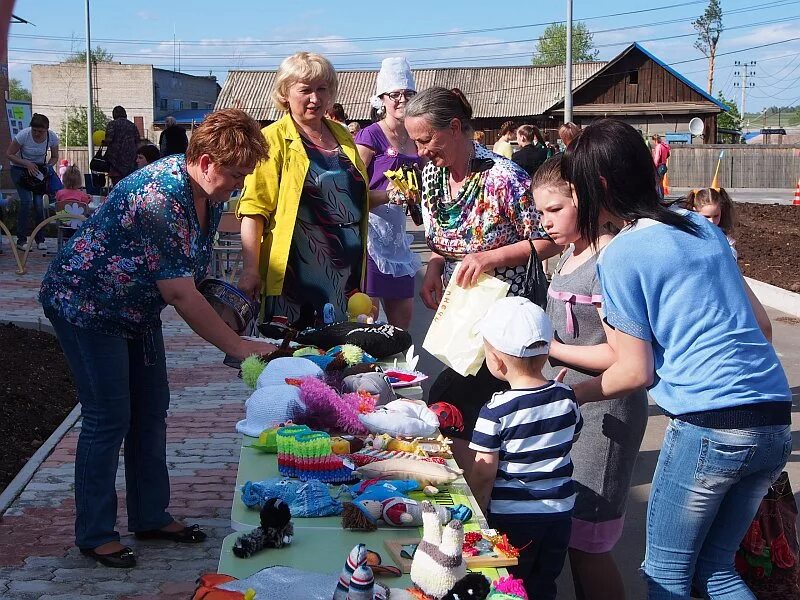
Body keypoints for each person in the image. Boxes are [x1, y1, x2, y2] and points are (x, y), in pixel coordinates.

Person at [562, 118, 791, 599]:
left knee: (665, 574)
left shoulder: (623, 253)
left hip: (710, 425)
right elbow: (764, 328)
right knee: (717, 570)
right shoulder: (701, 229)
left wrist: (568, 394)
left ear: (599, 185)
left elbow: (634, 370)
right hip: (772, 416)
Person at [38, 109, 274, 569]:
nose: (238, 185)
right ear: (205, 161)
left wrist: (235, 304)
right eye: (234, 175)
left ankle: (149, 515)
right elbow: (179, 293)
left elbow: (189, 274)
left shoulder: (208, 193)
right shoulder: (160, 195)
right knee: (109, 417)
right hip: (87, 306)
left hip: (134, 308)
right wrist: (237, 345)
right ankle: (96, 532)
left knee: (151, 410)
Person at [404, 87, 561, 469]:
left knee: (462, 402)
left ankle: (484, 494)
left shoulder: (504, 177)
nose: (421, 150)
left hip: (503, 312)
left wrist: (492, 257)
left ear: (455, 127)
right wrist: (435, 267)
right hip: (463, 309)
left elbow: (549, 240)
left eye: (426, 139)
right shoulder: (431, 174)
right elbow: (443, 238)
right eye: (415, 141)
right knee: (458, 402)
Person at [534, 155, 647, 600]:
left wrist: (552, 348)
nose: (545, 221)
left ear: (583, 199)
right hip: (574, 411)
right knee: (574, 534)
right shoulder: (571, 253)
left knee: (589, 543)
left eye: (554, 210)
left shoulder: (608, 260)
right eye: (540, 211)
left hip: (604, 415)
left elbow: (624, 354)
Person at [237, 52, 370, 327]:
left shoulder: (342, 134)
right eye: (306, 90)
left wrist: (394, 196)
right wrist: (251, 270)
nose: (315, 98)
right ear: (285, 93)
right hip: (296, 273)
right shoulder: (272, 139)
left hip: (346, 271)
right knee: (293, 353)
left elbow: (351, 199)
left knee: (342, 351)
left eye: (322, 89)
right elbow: (254, 210)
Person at [469, 296, 582, 600]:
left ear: (497, 361)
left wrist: (477, 515)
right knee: (544, 583)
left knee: (508, 586)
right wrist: (554, 396)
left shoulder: (495, 410)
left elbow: (483, 473)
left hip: (512, 517)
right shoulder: (566, 397)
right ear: (545, 354)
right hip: (558, 515)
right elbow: (571, 434)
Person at [355, 57, 422, 329]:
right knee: (366, 322)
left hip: (399, 241)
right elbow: (351, 194)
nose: (401, 100)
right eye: (394, 95)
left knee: (401, 327)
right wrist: (387, 196)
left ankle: (398, 373)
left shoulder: (416, 137)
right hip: (370, 240)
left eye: (408, 94)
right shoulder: (370, 136)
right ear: (381, 99)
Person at [6, 112, 60, 251]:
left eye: (40, 131)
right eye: (34, 130)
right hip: (20, 169)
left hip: (38, 171)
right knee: (26, 201)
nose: (37, 134)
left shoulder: (52, 137)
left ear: (46, 130)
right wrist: (26, 163)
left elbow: (54, 157)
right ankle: (21, 240)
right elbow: (9, 154)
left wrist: (48, 167)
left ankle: (40, 239)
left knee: (39, 203)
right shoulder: (24, 135)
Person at [685, 187, 737, 259]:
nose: (712, 221)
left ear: (721, 210)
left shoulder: (726, 240)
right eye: (707, 217)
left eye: (716, 216)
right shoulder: (687, 236)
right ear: (695, 212)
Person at [104, 105, 140, 186]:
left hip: (115, 160)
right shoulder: (132, 125)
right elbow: (138, 141)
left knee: (117, 184)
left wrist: (103, 142)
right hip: (130, 160)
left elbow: (109, 140)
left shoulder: (112, 124)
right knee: (129, 183)